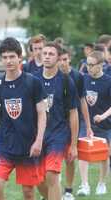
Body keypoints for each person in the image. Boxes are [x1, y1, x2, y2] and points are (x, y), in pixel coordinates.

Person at [0, 37, 47, 200]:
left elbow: (42, 113)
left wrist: (38, 141)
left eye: (12, 57)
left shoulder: (33, 82)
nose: (8, 61)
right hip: (5, 143)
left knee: (28, 192)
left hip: (28, 145)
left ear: (20, 58)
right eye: (4, 57)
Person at [35, 42, 79, 200]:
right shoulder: (33, 79)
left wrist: (73, 145)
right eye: (44, 53)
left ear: (59, 58)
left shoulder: (67, 82)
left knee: (52, 176)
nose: (46, 56)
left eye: (51, 54)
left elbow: (74, 114)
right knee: (38, 180)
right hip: (38, 136)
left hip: (58, 135)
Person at [58, 47, 93, 199]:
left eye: (65, 59)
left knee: (70, 157)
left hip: (72, 122)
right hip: (54, 123)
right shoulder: (50, 77)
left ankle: (68, 190)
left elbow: (82, 101)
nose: (63, 63)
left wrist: (88, 125)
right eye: (61, 60)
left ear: (69, 59)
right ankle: (52, 189)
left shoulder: (78, 77)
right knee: (51, 158)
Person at [82, 50, 111, 195]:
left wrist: (103, 116)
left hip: (104, 124)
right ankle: (84, 184)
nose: (88, 67)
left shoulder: (109, 81)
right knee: (82, 152)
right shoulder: (84, 79)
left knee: (104, 155)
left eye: (92, 65)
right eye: (87, 64)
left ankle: (101, 183)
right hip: (85, 123)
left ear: (101, 65)